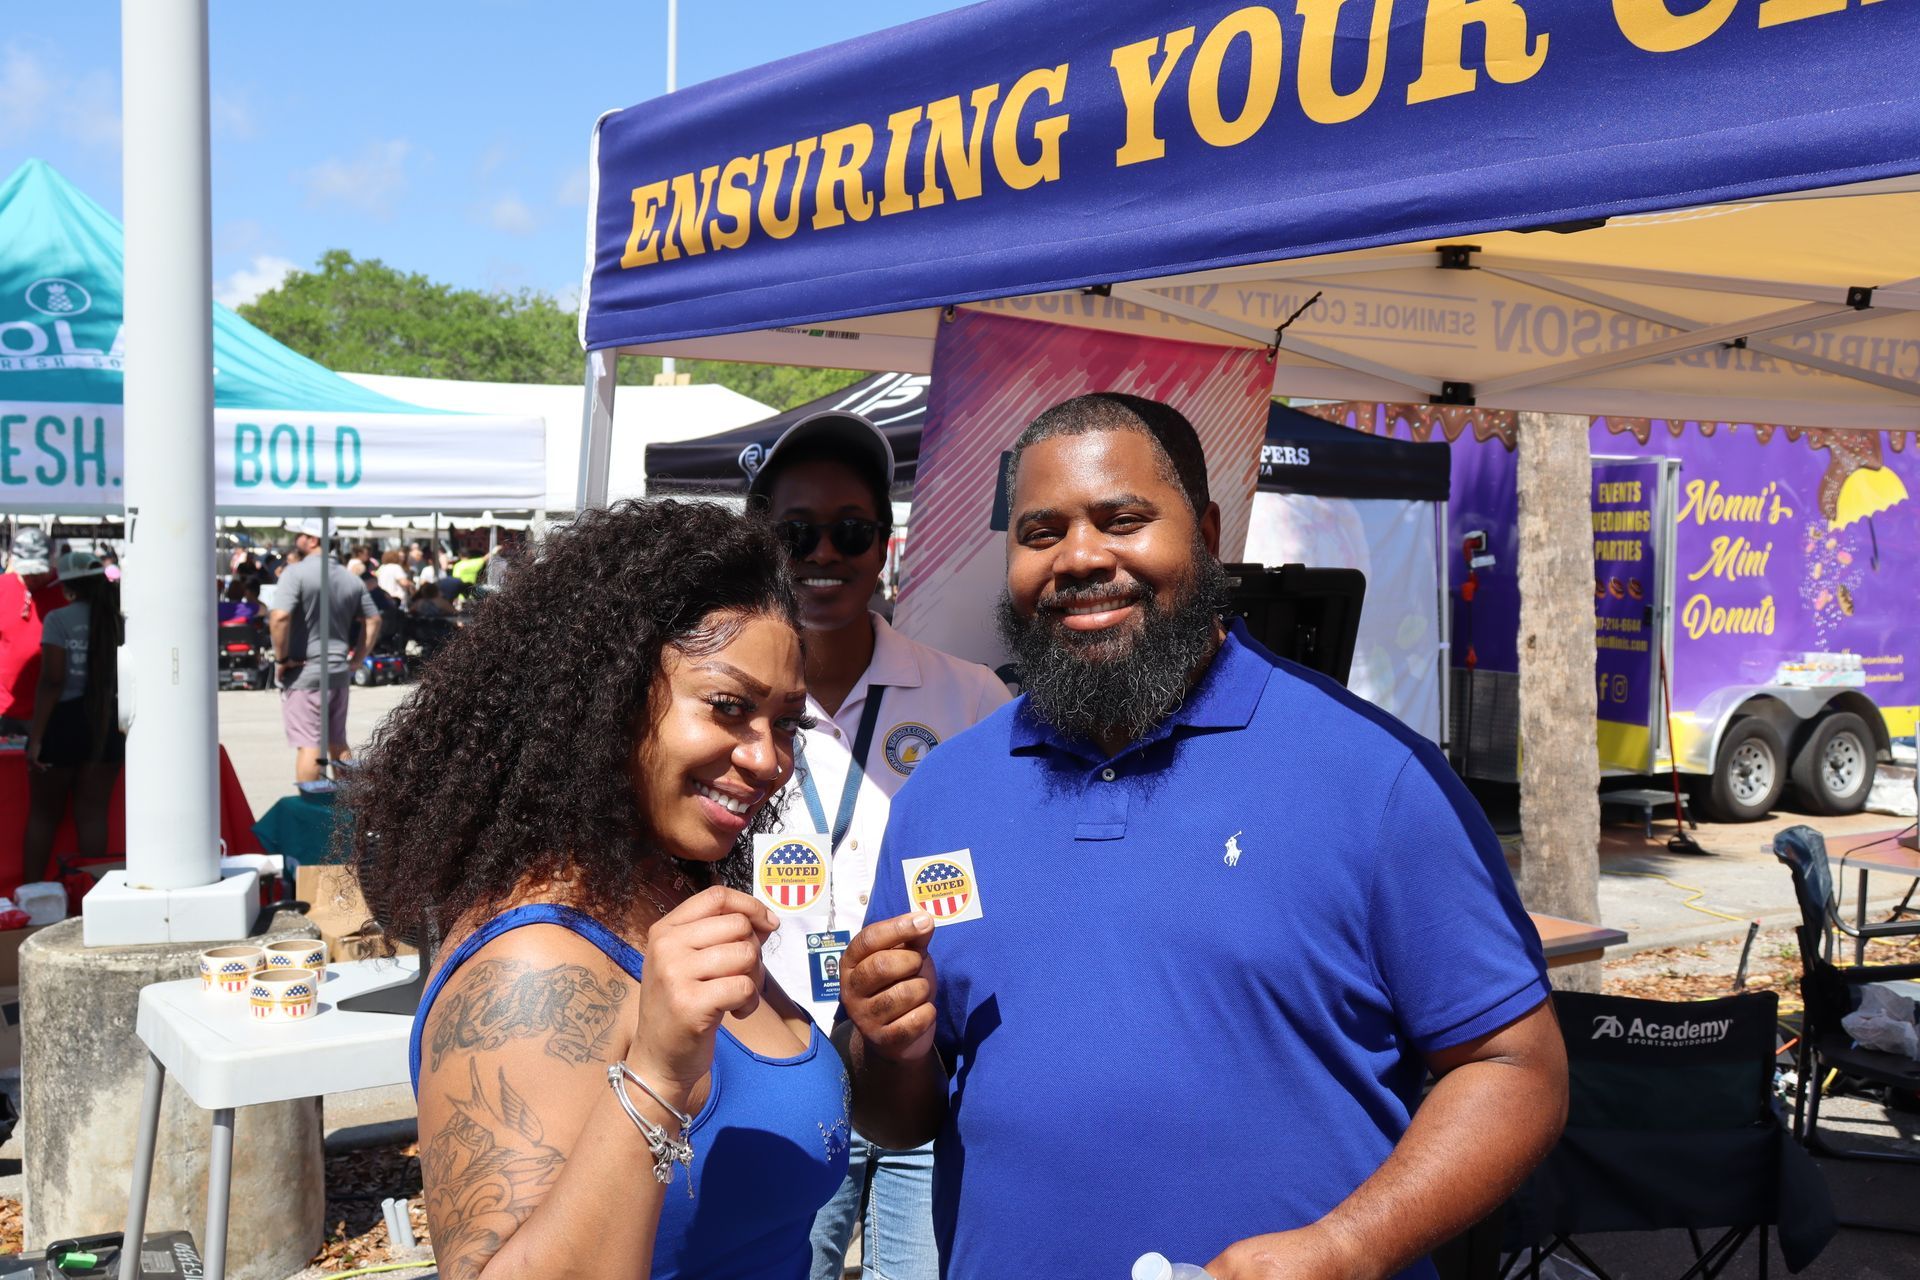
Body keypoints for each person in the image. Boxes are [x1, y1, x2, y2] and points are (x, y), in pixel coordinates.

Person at [841, 394, 1567, 1280]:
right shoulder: (942, 793)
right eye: (1040, 532)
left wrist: (1348, 1247)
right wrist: (887, 1045)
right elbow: (895, 1119)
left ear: (1209, 533)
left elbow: (1517, 1067)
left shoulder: (1375, 776)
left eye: (1123, 520)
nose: (1080, 557)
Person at [348, 500, 847, 1280]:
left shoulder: (673, 891)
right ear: (607, 696)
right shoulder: (531, 967)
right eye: (728, 707)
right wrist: (656, 1077)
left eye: (785, 722)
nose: (768, 759)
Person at [747, 413, 1009, 1280]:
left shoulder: (970, 698)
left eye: (851, 530)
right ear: (764, 543)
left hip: (921, 1068)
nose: (824, 553)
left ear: (883, 545)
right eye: (797, 533)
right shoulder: (725, 706)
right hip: (781, 1069)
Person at [23, 550, 124, 879]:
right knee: (93, 815)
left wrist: (36, 738)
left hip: (63, 723)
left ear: (68, 587)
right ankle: (92, 891)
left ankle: (32, 892)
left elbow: (53, 680)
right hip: (106, 721)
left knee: (43, 816)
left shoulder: (58, 620)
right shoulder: (118, 622)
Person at [270, 522, 380, 783]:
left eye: (300, 535)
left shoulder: (295, 573)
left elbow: (279, 617)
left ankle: (311, 805)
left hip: (304, 670)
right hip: (338, 671)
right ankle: (348, 803)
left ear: (312, 540)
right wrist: (358, 658)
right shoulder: (350, 578)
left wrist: (281, 659)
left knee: (310, 744)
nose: (296, 539)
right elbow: (374, 620)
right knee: (337, 741)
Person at [1, 529, 67, 737]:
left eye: (38, 571)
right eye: (26, 572)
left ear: (52, 560)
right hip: (5, 708)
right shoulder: (3, 588)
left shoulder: (66, 591)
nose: (32, 577)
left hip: (51, 710)